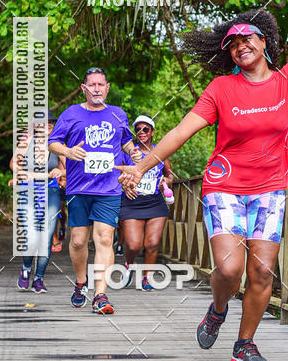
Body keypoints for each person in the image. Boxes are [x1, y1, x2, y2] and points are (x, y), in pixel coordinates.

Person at [118, 0, 288, 361]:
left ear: (265, 42)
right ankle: (218, 309)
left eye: (247, 39)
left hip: (270, 189)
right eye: (233, 44)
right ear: (230, 54)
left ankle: (245, 344)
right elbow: (182, 131)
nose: (240, 47)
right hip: (224, 187)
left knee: (262, 273)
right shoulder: (222, 88)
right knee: (231, 268)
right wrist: (142, 166)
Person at [48, 67, 141, 314]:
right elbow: (52, 142)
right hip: (79, 187)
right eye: (92, 85)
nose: (97, 89)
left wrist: (133, 153)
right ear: (84, 88)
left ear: (107, 87)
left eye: (101, 84)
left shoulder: (118, 114)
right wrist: (67, 152)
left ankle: (100, 295)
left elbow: (127, 142)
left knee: (104, 238)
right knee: (78, 241)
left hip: (108, 188)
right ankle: (81, 283)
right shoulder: (71, 114)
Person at [10, 112, 65, 293]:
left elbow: (66, 168)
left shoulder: (58, 144)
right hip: (28, 189)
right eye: (43, 123)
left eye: (50, 123)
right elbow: (14, 164)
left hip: (51, 191)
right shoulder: (27, 141)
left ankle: (39, 278)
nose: (47, 125)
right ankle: (26, 270)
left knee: (46, 236)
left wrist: (60, 172)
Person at [119, 114, 175, 290]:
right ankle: (129, 264)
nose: (141, 132)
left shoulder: (160, 152)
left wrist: (166, 182)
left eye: (145, 129)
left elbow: (170, 174)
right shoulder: (129, 152)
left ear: (152, 132)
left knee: (152, 243)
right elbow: (117, 175)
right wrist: (124, 184)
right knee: (133, 245)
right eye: (138, 129)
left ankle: (147, 278)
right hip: (132, 201)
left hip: (155, 202)